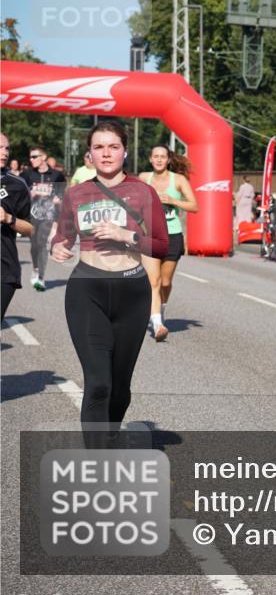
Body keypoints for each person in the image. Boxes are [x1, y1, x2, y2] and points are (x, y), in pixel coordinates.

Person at [50, 121, 168, 448]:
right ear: (89, 154)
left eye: (113, 146)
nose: (106, 153)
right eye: (99, 147)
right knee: (98, 383)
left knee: (119, 388)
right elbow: (63, 236)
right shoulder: (76, 194)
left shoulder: (143, 192)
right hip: (87, 290)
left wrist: (126, 235)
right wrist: (58, 246)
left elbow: (164, 246)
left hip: (133, 292)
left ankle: (112, 434)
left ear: (125, 151)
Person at [139, 145, 198, 341]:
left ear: (168, 160)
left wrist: (173, 200)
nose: (158, 159)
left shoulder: (178, 180)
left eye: (162, 156)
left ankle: (160, 309)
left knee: (165, 282)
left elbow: (194, 206)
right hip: (150, 235)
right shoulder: (143, 178)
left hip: (172, 235)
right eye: (155, 156)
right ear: (150, 159)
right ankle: (157, 324)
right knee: (153, 281)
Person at [22, 146, 66, 291]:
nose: (31, 160)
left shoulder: (57, 175)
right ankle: (35, 268)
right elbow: (20, 194)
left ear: (43, 157)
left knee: (41, 244)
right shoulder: (27, 174)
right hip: (32, 215)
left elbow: (62, 195)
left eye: (34, 157)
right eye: (30, 157)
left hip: (48, 215)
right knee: (35, 246)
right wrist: (30, 193)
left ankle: (40, 276)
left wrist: (58, 200)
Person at [0, 132, 34, 320]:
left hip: (3, 270)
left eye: (6, 148)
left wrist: (8, 219)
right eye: (0, 148)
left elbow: (32, 228)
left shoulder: (17, 185)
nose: (4, 153)